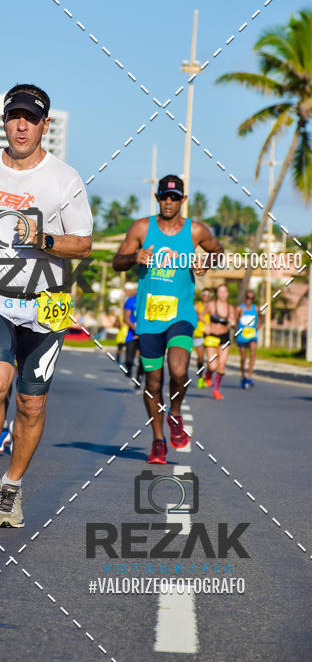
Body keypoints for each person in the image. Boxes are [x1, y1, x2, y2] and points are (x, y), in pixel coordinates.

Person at [0, 83, 92, 528]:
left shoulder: (65, 179)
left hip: (47, 301)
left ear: (46, 125)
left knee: (31, 405)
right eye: (14, 116)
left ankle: (13, 486)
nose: (21, 125)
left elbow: (83, 245)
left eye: (31, 118)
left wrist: (41, 239)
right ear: (4, 121)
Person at [113, 174, 224, 464]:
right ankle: (158, 441)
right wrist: (135, 257)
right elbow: (117, 262)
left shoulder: (195, 231)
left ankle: (175, 414)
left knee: (177, 371)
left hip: (181, 315)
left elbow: (219, 251)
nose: (168, 202)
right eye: (164, 196)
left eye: (174, 198)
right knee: (152, 382)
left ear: (183, 200)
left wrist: (206, 263)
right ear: (158, 197)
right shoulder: (141, 228)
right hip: (149, 317)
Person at [203, 283, 235, 400]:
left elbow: (233, 322)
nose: (222, 294)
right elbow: (201, 315)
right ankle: (208, 373)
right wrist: (206, 324)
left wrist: (232, 321)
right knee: (212, 366)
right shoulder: (211, 305)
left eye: (224, 292)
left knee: (221, 366)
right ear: (217, 293)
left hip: (224, 338)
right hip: (212, 336)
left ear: (227, 294)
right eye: (220, 292)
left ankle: (216, 390)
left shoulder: (230, 308)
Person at [235, 289, 260, 388]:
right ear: (245, 298)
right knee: (243, 357)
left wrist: (259, 324)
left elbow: (262, 317)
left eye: (252, 298)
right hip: (242, 335)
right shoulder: (239, 309)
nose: (249, 299)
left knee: (253, 353)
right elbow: (235, 321)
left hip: (252, 334)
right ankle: (243, 376)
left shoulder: (256, 308)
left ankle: (249, 377)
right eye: (248, 297)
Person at [122, 283, 142, 390]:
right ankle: (128, 368)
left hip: (145, 335)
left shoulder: (149, 299)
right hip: (132, 334)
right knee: (129, 359)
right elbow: (126, 318)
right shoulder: (130, 300)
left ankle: (139, 378)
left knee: (143, 360)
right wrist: (135, 330)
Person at [193, 288, 211, 388]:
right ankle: (200, 377)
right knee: (200, 358)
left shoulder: (212, 306)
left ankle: (208, 375)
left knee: (210, 359)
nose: (206, 296)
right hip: (199, 333)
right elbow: (197, 315)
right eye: (204, 294)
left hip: (210, 335)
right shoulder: (197, 306)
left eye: (208, 294)